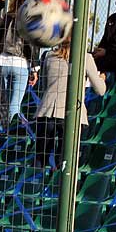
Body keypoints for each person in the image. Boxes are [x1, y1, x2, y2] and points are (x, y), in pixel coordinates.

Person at [34, 36, 106, 168]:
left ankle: (35, 183)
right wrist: (102, 78)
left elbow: (43, 86)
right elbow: (100, 90)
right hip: (73, 112)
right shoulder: (85, 58)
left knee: (40, 156)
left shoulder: (49, 56)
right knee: (65, 158)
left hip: (47, 110)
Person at [0, 0, 41, 122]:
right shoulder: (31, 20)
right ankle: (8, 131)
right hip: (21, 64)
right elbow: (31, 46)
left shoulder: (6, 17)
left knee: (1, 101)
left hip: (2, 62)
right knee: (15, 104)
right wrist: (35, 69)